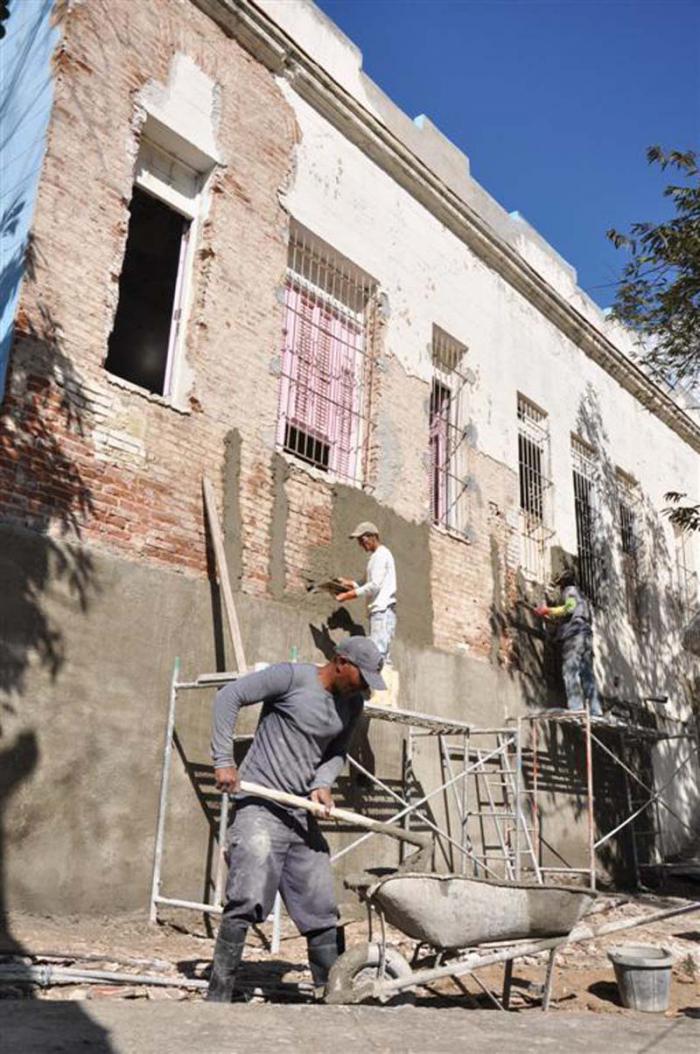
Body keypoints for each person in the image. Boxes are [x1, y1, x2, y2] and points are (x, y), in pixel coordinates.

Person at [207, 636, 386, 1003]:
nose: (364, 686)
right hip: (260, 802)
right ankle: (219, 995)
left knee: (320, 904)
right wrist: (223, 759)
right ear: (340, 662)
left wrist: (322, 784)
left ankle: (330, 994)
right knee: (246, 896)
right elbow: (228, 697)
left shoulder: (352, 704)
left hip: (298, 813)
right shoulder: (290, 678)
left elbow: (337, 752)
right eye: (361, 676)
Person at [534, 568, 603, 716]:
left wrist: (548, 611)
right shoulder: (583, 597)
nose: (559, 588)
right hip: (586, 636)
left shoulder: (570, 591)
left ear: (563, 583)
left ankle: (576, 708)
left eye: (560, 585)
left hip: (575, 636)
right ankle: (596, 710)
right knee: (587, 674)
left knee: (570, 671)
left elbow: (569, 608)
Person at [336, 521, 397, 662]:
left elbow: (374, 586)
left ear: (372, 537)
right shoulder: (374, 557)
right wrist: (347, 583)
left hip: (382, 610)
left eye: (362, 540)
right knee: (378, 653)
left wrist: (348, 595)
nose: (361, 544)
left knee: (378, 653)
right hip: (378, 611)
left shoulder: (382, 555)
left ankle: (377, 683)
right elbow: (364, 583)